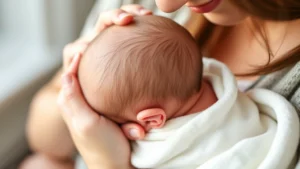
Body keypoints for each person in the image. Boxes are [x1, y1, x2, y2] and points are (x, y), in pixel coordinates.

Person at [20, 1, 300, 169]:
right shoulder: (131, 22)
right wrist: (72, 90)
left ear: (152, 119)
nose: (164, 7)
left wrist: (106, 163)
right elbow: (43, 141)